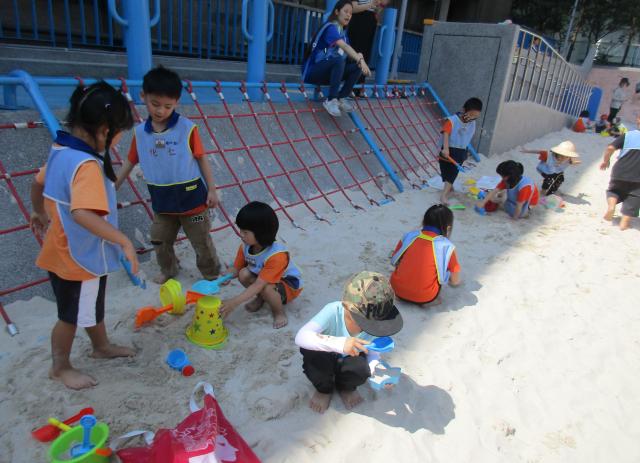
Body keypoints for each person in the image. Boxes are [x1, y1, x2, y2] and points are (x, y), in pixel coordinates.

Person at [29, 82, 138, 390]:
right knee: (70, 316)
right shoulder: (86, 165)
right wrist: (124, 240)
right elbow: (82, 213)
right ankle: (60, 366)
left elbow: (38, 183)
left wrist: (37, 211)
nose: (118, 141)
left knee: (89, 304)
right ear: (104, 130)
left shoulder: (62, 149)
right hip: (76, 257)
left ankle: (100, 346)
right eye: (119, 134)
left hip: (66, 248)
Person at [115, 66, 221, 284]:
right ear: (143, 96)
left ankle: (212, 273)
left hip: (194, 204)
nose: (161, 111)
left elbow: (202, 158)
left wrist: (212, 189)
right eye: (155, 104)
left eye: (167, 106)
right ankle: (169, 269)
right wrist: (113, 186)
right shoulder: (140, 133)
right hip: (163, 205)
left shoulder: (187, 128)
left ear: (176, 102)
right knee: (159, 238)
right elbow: (130, 161)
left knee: (201, 238)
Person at [295, 271, 403, 413]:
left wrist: (376, 370)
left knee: (361, 370)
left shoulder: (376, 324)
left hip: (351, 359)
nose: (373, 326)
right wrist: (340, 343)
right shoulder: (333, 311)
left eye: (377, 322)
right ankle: (324, 390)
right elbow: (301, 336)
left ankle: (346, 387)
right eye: (366, 322)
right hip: (325, 354)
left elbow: (372, 353)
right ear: (346, 306)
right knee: (313, 359)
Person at [219, 201, 303, 329]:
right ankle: (261, 298)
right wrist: (227, 276)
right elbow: (237, 268)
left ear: (261, 233)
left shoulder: (276, 256)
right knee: (243, 274)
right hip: (264, 278)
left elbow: (259, 284)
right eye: (240, 229)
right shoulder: (245, 246)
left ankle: (279, 312)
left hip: (288, 285)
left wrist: (233, 303)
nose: (241, 234)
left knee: (266, 288)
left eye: (245, 232)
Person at [301, 0, 372, 117]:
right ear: (337, 12)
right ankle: (331, 100)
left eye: (351, 13)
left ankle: (341, 98)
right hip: (312, 71)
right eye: (346, 11)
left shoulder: (343, 34)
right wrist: (360, 59)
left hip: (328, 73)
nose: (348, 15)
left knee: (357, 67)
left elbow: (349, 53)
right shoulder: (330, 27)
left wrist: (360, 58)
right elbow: (344, 47)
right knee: (339, 61)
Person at [390, 204, 461, 306]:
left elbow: (395, 259)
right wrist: (453, 280)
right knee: (443, 271)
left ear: (423, 221)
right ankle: (428, 300)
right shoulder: (447, 246)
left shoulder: (409, 236)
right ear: (448, 228)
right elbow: (455, 280)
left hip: (396, 289)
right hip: (425, 297)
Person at [439, 97, 483, 205]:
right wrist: (446, 148)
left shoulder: (472, 122)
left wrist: (464, 153)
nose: (472, 118)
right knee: (444, 169)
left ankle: (444, 194)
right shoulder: (452, 120)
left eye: (475, 116)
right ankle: (449, 187)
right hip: (448, 148)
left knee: (453, 172)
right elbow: (446, 133)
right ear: (464, 110)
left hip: (460, 151)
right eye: (471, 115)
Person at [600, 113, 640, 231]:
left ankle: (611, 207)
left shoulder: (628, 135)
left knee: (614, 191)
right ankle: (624, 223)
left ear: (638, 120)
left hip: (620, 171)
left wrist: (606, 161)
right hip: (638, 176)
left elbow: (610, 148)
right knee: (634, 197)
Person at [348, 0, 384, 95]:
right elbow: (353, 7)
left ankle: (360, 86)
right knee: (356, 52)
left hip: (370, 20)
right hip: (359, 19)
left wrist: (379, 7)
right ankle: (351, 86)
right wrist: (370, 5)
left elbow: (377, 10)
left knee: (366, 53)